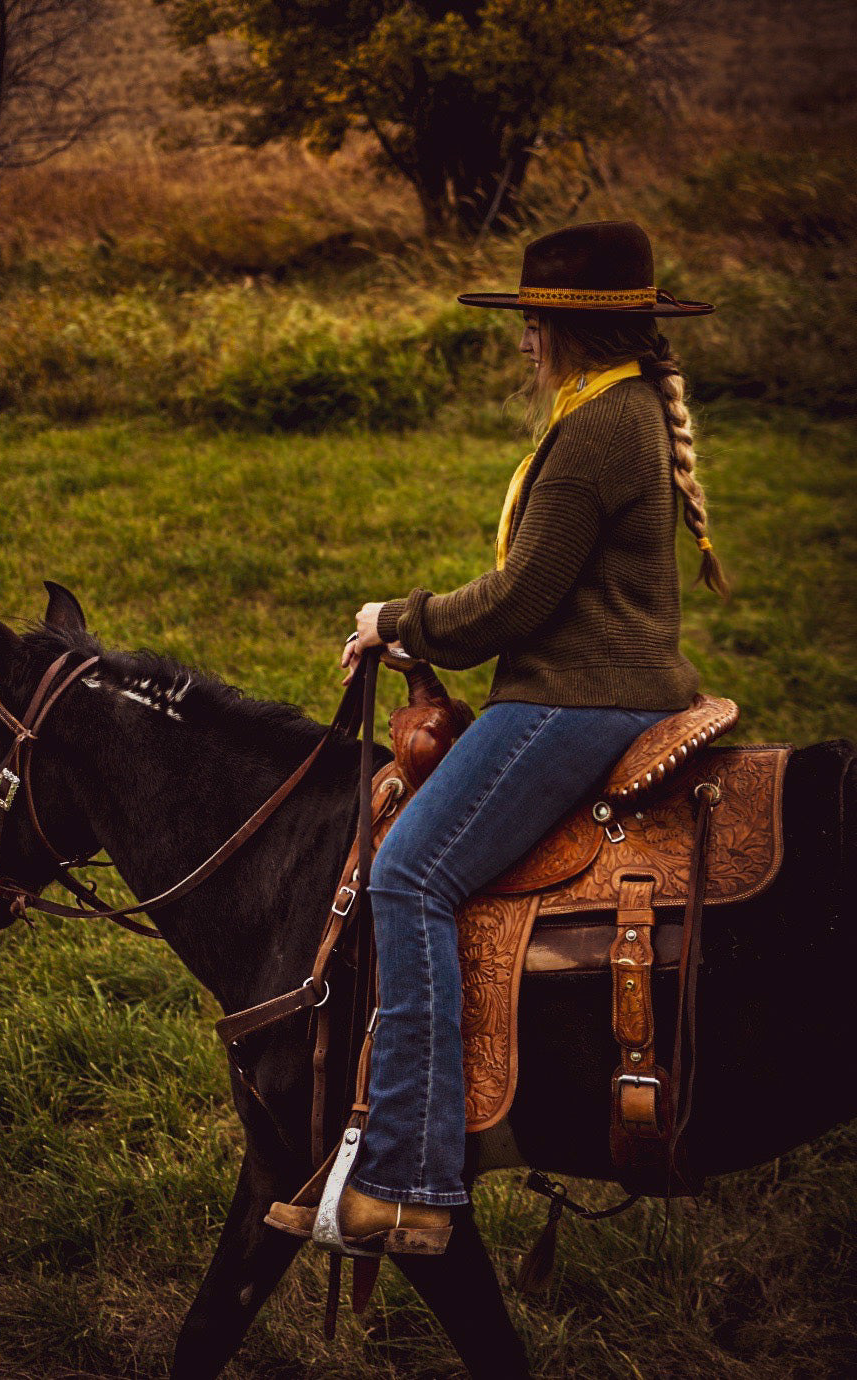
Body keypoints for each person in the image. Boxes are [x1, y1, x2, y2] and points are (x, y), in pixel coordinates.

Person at [279, 219, 729, 1257]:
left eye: (533, 322)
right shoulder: (612, 414)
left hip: (577, 698)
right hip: (595, 684)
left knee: (411, 875)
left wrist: (399, 619)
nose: (525, 340)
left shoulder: (600, 431)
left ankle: (407, 1179)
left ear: (562, 328)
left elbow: (521, 603)